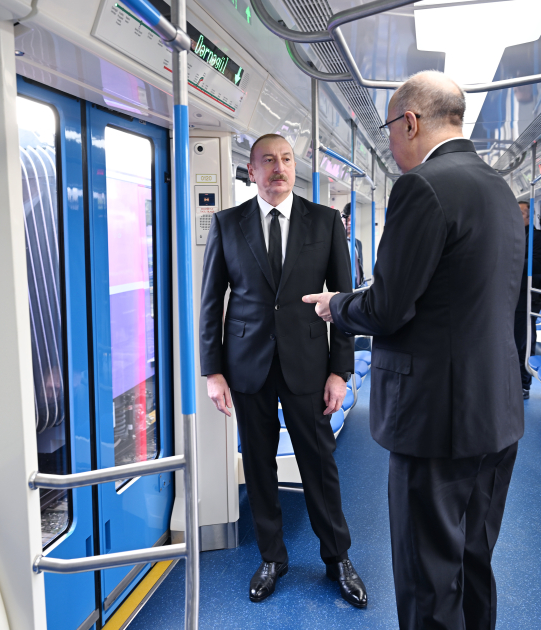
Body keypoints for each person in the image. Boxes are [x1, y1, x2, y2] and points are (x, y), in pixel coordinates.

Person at [303, 71, 524, 629]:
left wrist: (336, 306)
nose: (391, 145)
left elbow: (388, 308)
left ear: (410, 121)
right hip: (496, 412)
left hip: (436, 420)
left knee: (428, 578)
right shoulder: (499, 189)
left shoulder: (422, 187)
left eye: (389, 132)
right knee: (473, 561)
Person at [199, 133, 367, 608]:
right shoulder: (228, 224)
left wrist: (340, 371)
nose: (279, 168)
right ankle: (272, 557)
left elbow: (344, 302)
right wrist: (213, 371)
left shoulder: (325, 221)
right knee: (258, 463)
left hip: (309, 363)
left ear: (296, 167)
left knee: (319, 463)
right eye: (268, 161)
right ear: (251, 171)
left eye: (287, 159)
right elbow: (211, 301)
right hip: (247, 365)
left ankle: (338, 558)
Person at [515, 200, 541, 398]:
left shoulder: (539, 238)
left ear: (530, 216)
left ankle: (523, 384)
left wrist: (511, 261)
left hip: (527, 298)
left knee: (523, 342)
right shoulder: (511, 235)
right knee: (510, 342)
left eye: (520, 213)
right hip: (511, 296)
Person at [341, 203, 365, 287]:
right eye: (347, 220)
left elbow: (360, 266)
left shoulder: (358, 243)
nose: (350, 223)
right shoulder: (338, 243)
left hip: (358, 287)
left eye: (352, 220)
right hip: (344, 287)